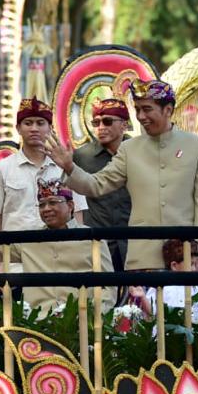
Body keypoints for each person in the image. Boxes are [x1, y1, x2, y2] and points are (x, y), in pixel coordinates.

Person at [46, 79, 198, 270]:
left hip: (185, 255)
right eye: (137, 109)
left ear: (168, 110)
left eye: (147, 109)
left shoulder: (197, 146)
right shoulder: (129, 149)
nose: (141, 116)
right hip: (142, 257)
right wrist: (70, 167)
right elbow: (96, 185)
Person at [0, 179, 116, 315]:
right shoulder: (30, 239)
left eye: (53, 202)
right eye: (42, 205)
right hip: (38, 324)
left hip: (82, 323)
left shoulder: (92, 239)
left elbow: (109, 287)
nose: (47, 209)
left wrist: (92, 314)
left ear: (71, 206)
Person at [0, 98, 89, 272]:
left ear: (50, 128)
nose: (34, 129)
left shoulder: (66, 168)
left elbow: (77, 215)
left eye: (40, 123)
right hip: (16, 264)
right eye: (28, 123)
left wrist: (76, 261)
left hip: (60, 263)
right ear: (18, 128)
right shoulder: (2, 169)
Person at [73, 98, 133, 271]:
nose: (100, 127)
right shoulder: (82, 157)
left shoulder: (140, 152)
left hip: (135, 241)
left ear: (124, 125)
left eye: (107, 121)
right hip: (98, 243)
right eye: (96, 122)